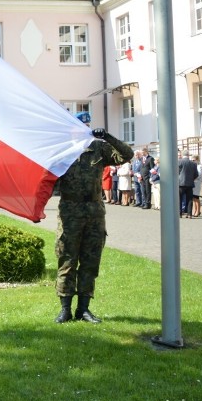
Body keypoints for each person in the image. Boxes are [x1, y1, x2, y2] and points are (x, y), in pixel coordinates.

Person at [53, 112, 133, 324]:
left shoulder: (98, 148)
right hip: (70, 210)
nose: (85, 128)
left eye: (87, 125)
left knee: (90, 261)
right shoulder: (63, 151)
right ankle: (65, 309)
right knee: (67, 260)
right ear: (72, 128)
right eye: (81, 125)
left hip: (94, 211)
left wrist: (107, 137)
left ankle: (84, 309)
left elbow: (127, 155)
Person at [177, 150, 199, 217]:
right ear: (188, 155)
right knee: (190, 199)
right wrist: (191, 179)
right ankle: (189, 214)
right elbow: (196, 174)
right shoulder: (193, 163)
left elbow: (177, 172)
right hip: (190, 184)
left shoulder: (179, 161)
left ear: (182, 154)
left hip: (181, 183)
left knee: (179, 198)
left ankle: (180, 213)